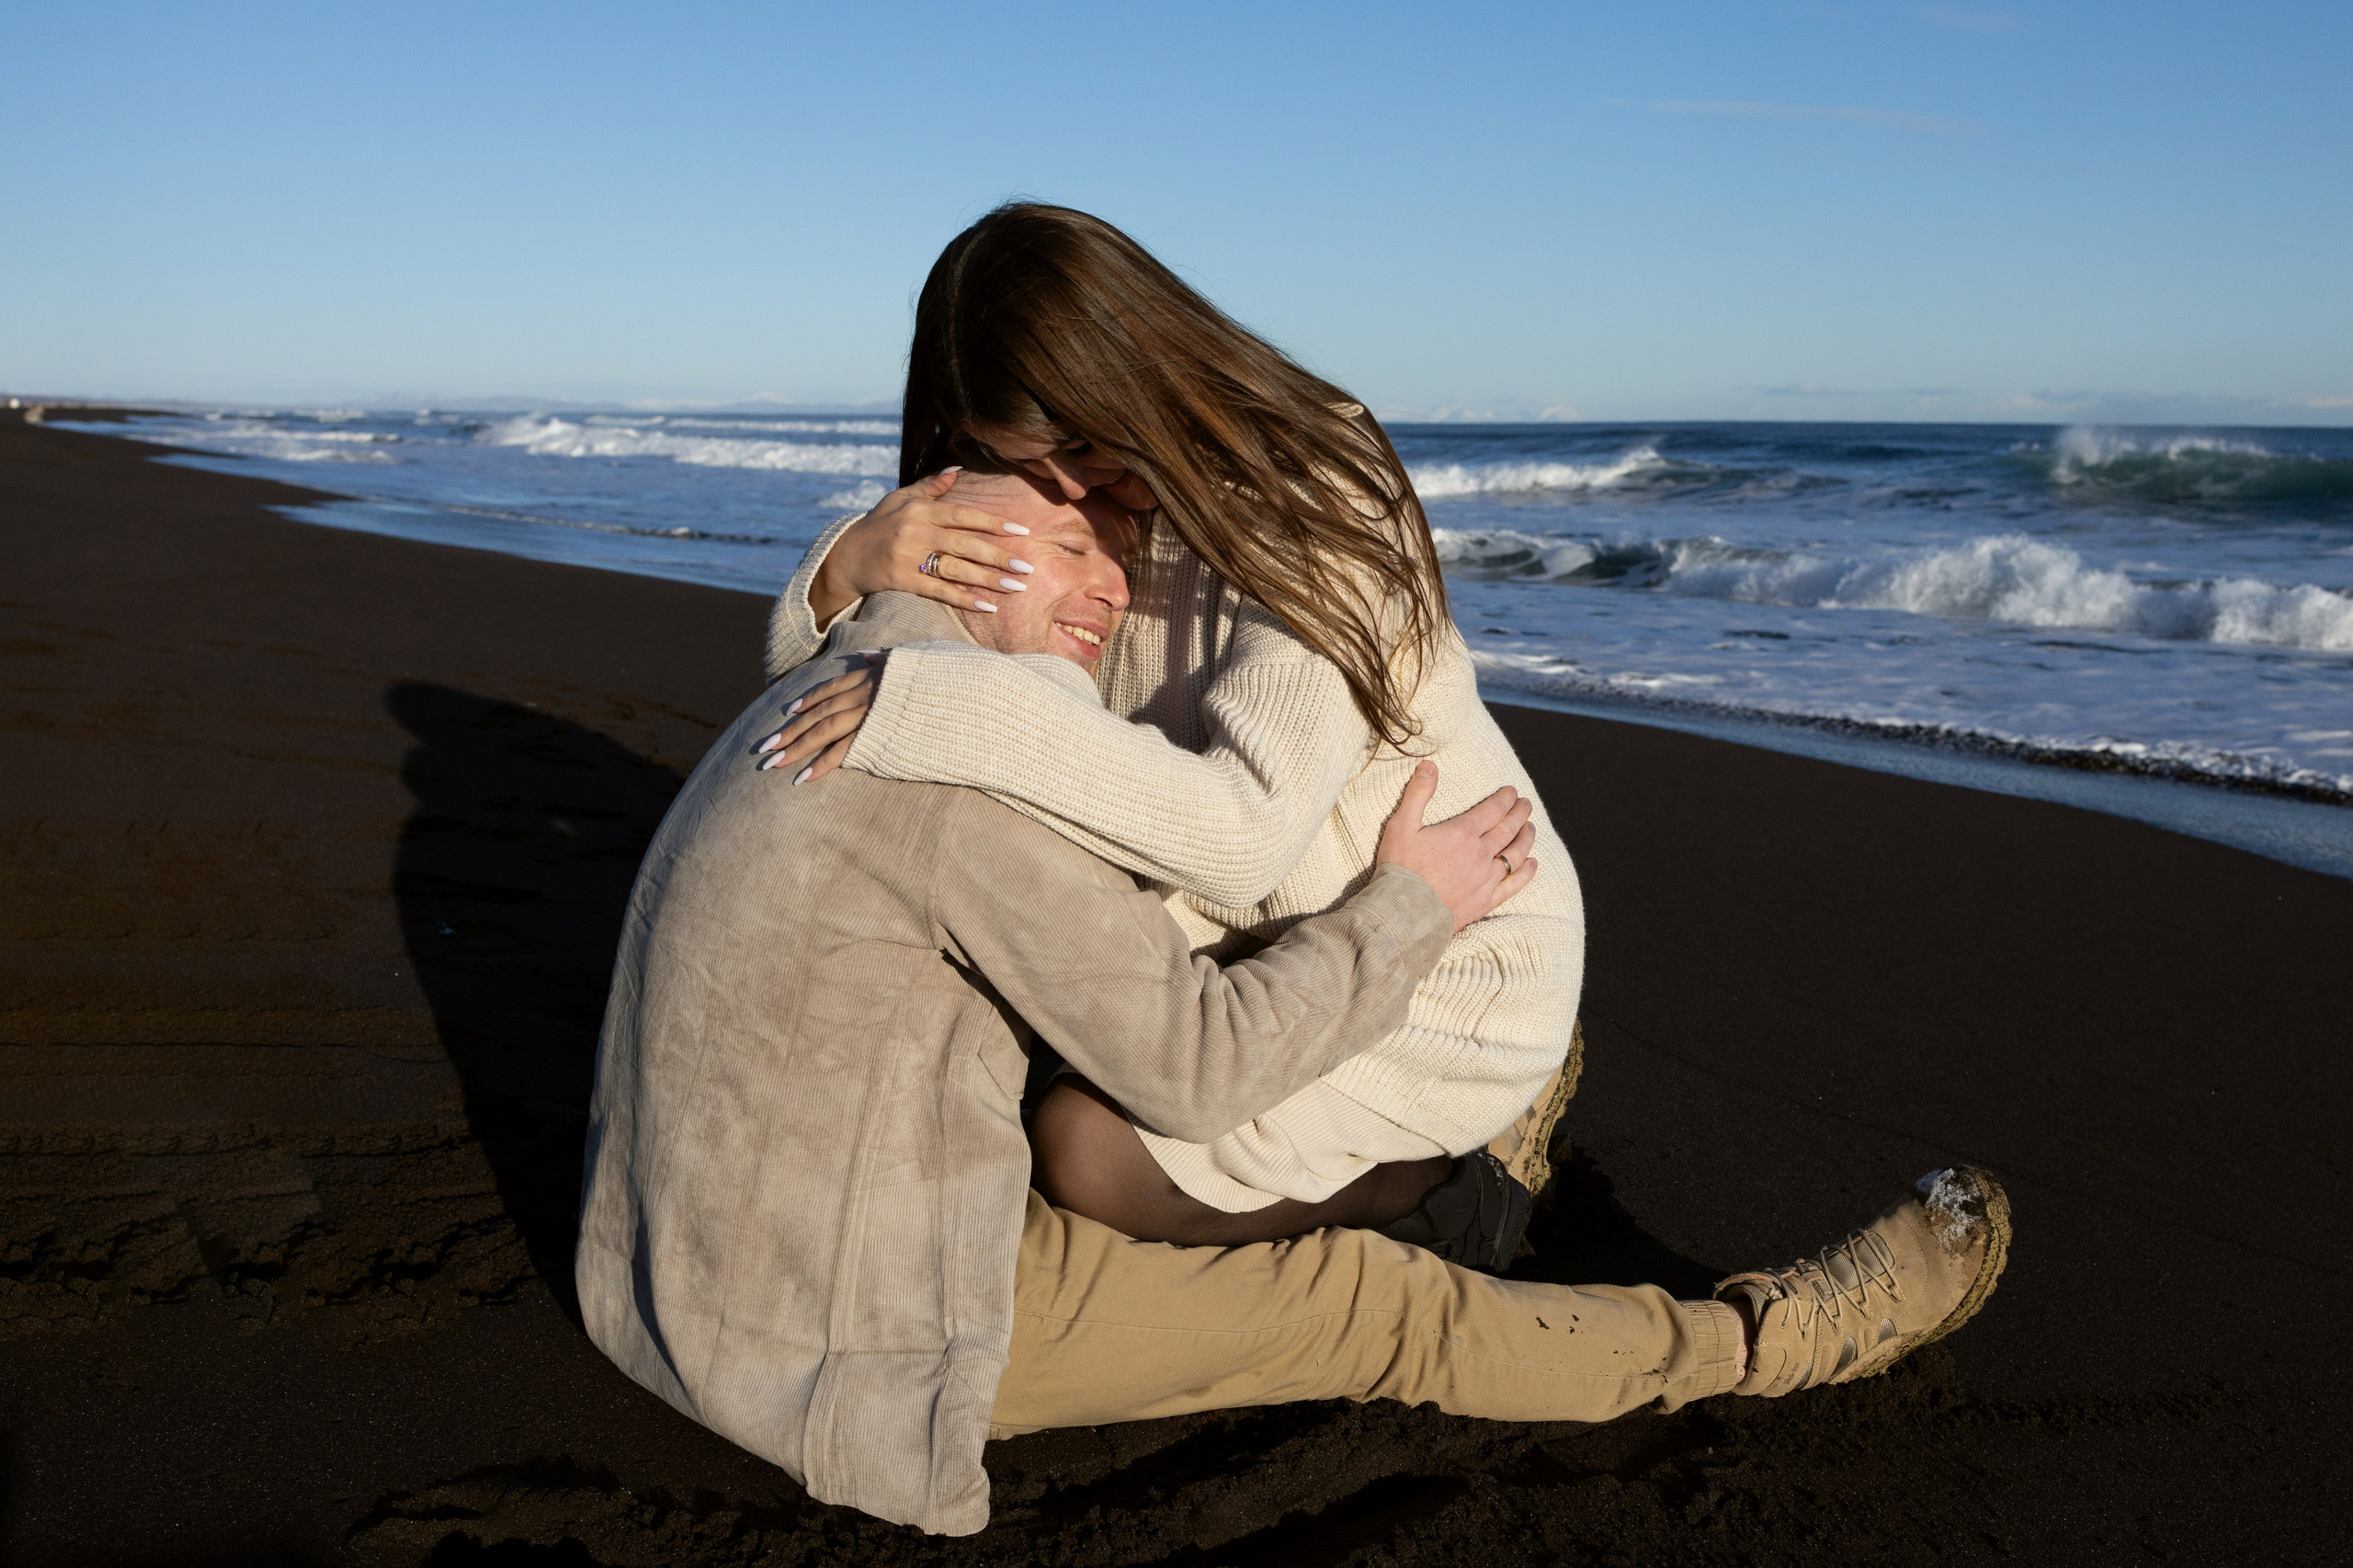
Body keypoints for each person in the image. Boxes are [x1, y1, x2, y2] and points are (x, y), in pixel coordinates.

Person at [576, 469, 2015, 1539]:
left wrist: (845, 556)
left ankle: (1471, 1154)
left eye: (1111, 544)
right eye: (1066, 546)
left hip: (671, 1261)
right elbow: (1198, 1070)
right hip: (843, 1327)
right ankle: (1760, 1345)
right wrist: (1413, 908)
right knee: (1369, 1310)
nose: (1111, 589)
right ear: (949, 554)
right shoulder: (964, 783)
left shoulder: (840, 673)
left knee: (1106, 1061)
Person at [749, 202, 1586, 1268]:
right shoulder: (1075, 479)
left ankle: (1438, 1193)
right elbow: (824, 720)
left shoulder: (1317, 491)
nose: (1067, 493)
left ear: (1134, 374)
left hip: (1438, 948)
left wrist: (943, 701)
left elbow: (1244, 837)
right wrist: (848, 570)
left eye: (1083, 451)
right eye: (1024, 464)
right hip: (1233, 947)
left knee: (1084, 1151)